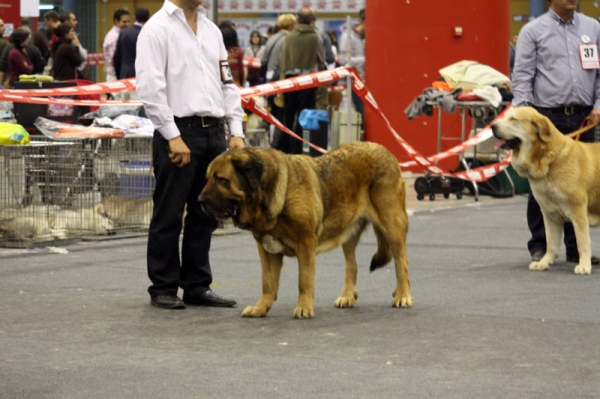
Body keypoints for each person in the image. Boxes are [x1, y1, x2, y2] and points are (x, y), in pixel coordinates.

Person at [135, 0, 245, 309]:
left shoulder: (211, 30)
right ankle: (163, 287)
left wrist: (235, 130)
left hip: (214, 134)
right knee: (169, 213)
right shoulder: (156, 29)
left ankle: (197, 285)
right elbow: (150, 88)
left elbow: (228, 84)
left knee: (206, 213)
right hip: (179, 131)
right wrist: (172, 135)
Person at [512, 0, 600, 265]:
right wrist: (524, 118)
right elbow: (523, 77)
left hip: (584, 116)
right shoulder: (533, 31)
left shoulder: (593, 27)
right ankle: (540, 246)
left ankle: (576, 249)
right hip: (546, 119)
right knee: (540, 182)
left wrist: (598, 106)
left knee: (577, 188)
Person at [279, 7, 325, 154]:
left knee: (288, 116)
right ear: (313, 21)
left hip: (290, 81)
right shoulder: (316, 37)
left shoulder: (289, 36)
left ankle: (284, 149)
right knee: (304, 117)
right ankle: (301, 149)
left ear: (297, 20)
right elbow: (322, 60)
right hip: (308, 82)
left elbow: (284, 60)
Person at [262, 13, 296, 148]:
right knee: (281, 117)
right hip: (280, 81)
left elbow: (264, 60)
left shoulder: (272, 38)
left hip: (269, 80)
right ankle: (276, 147)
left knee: (273, 115)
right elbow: (285, 62)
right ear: (290, 24)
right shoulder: (287, 39)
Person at [339, 7, 366, 124]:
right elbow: (344, 60)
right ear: (363, 22)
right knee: (363, 115)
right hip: (357, 81)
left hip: (371, 82)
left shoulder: (367, 38)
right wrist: (366, 60)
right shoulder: (348, 37)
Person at [114, 8, 149, 80]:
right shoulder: (146, 34)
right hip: (141, 75)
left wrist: (119, 76)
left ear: (134, 17)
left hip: (124, 74)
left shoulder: (123, 33)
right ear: (148, 18)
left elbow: (116, 57)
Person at [102, 9, 130, 83]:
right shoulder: (114, 36)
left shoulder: (122, 34)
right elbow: (114, 59)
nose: (127, 24)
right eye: (124, 22)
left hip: (120, 75)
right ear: (116, 21)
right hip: (115, 76)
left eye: (128, 21)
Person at [59, 12, 88, 79]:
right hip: (70, 76)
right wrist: (77, 46)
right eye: (74, 20)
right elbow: (82, 57)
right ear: (67, 22)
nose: (76, 22)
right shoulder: (68, 44)